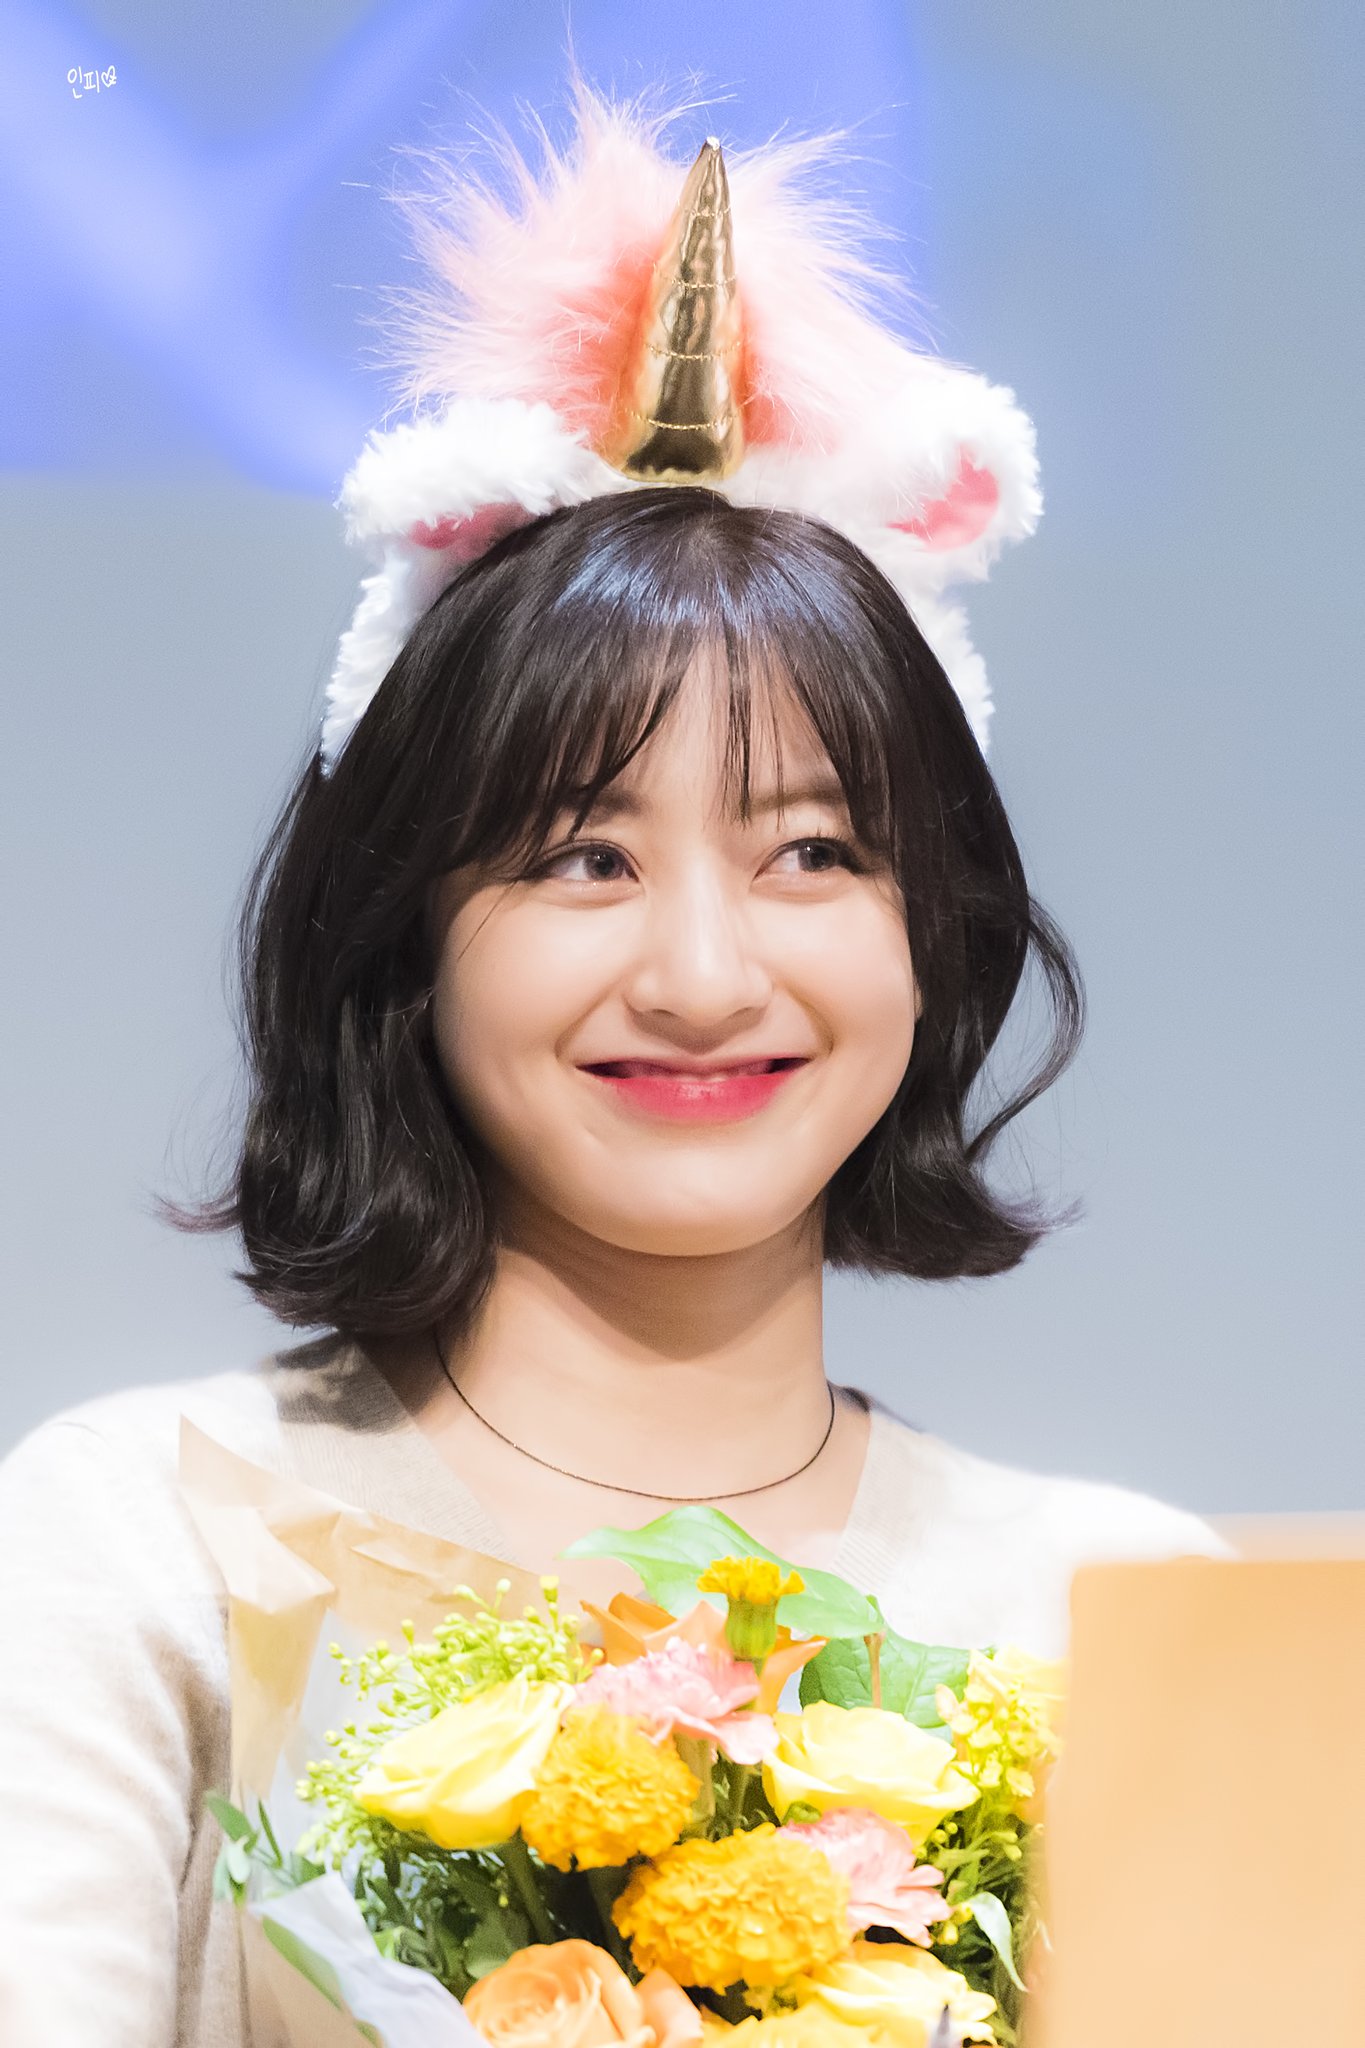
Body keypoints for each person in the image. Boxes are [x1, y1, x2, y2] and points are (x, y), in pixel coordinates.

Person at [0, 94, 1222, 2048]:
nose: (704, 974)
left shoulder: (1118, 1608)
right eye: (583, 857)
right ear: (404, 929)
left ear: (936, 930)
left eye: (812, 850)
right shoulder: (144, 1536)